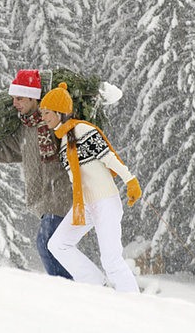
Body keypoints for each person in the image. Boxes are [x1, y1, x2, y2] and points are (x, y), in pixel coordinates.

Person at [39, 82, 142, 292]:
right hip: (84, 206)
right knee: (57, 244)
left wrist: (130, 180)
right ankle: (98, 287)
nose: (44, 117)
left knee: (112, 262)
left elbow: (109, 158)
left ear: (60, 112)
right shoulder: (64, 141)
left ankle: (135, 304)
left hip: (105, 202)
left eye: (47, 112)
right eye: (42, 112)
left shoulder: (82, 130)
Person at [0, 70, 73, 279]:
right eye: (13, 99)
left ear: (33, 97)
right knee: (55, 248)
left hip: (62, 195)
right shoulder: (25, 128)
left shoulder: (53, 119)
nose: (15, 104)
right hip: (44, 199)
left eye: (19, 98)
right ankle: (78, 287)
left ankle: (68, 291)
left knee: (46, 244)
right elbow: (7, 151)